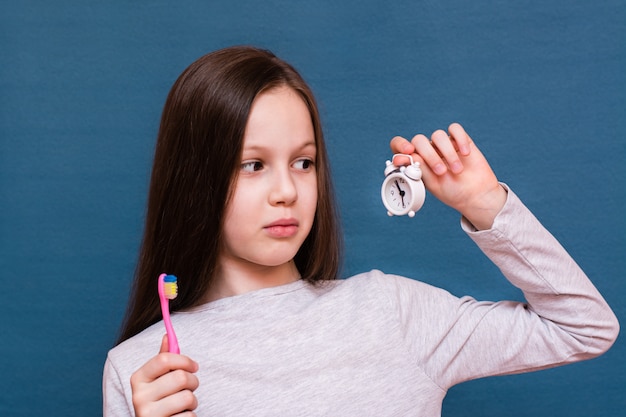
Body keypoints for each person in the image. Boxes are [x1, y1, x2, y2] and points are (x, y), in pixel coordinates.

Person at [103, 46, 619, 417]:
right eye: (252, 165)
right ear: (194, 180)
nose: (287, 190)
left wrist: (485, 205)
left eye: (303, 163)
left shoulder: (390, 312)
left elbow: (585, 328)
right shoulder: (144, 372)